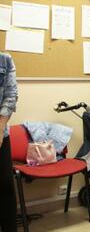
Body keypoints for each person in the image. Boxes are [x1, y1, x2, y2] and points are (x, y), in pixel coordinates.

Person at [0, 53, 18, 232]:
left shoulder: (4, 60)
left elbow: (11, 95)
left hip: (0, 133)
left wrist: (0, 128)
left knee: (5, 185)